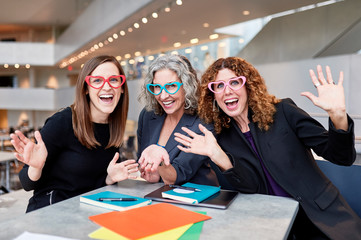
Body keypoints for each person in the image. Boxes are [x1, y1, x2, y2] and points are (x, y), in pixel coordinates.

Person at [174, 57, 361, 239]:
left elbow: (342, 157)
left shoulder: (283, 112)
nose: (227, 91)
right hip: (272, 226)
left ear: (248, 86)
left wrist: (338, 116)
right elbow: (250, 189)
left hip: (322, 221)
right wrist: (218, 156)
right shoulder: (221, 137)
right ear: (212, 94)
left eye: (235, 82)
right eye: (219, 86)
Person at [10, 55, 139, 212]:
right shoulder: (63, 121)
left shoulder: (113, 127)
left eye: (113, 80)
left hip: (86, 213)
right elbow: (26, 183)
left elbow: (89, 182)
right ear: (86, 88)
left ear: (122, 87)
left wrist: (109, 178)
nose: (107, 87)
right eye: (97, 80)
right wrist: (36, 167)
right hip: (51, 213)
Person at [137, 54, 218, 186]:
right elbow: (143, 161)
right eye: (157, 87)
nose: (163, 96)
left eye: (171, 86)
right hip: (157, 196)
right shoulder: (147, 115)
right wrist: (152, 173)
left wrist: (161, 161)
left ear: (187, 86)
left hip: (198, 200)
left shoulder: (203, 122)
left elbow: (178, 174)